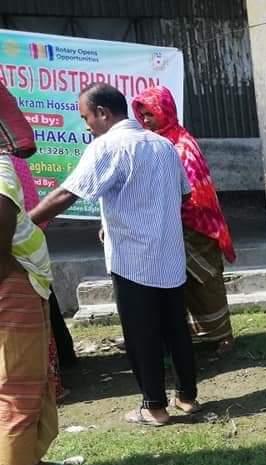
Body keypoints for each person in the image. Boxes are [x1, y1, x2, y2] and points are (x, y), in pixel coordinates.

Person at [31, 83, 199, 427]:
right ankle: (187, 397)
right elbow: (182, 194)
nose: (87, 125)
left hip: (134, 258)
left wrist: (24, 223)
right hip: (168, 253)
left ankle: (154, 407)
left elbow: (68, 193)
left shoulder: (108, 145)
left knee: (141, 333)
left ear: (103, 113)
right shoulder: (164, 144)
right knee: (175, 327)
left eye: (86, 117)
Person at [0, 83, 76, 465]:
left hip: (20, 287)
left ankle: (29, 464)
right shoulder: (0, 173)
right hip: (11, 292)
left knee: (31, 382)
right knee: (19, 390)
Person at [132, 86, 237, 355]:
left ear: (165, 111)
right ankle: (191, 335)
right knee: (179, 283)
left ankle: (223, 334)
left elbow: (197, 193)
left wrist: (171, 208)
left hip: (196, 226)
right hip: (167, 225)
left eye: (151, 114)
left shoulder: (182, 145)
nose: (146, 120)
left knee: (206, 281)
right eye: (142, 115)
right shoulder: (150, 144)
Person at [11, 155, 76, 401]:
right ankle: (61, 365)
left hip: (15, 247)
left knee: (30, 318)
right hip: (28, 243)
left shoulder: (7, 165)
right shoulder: (14, 160)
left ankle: (44, 385)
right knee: (44, 307)